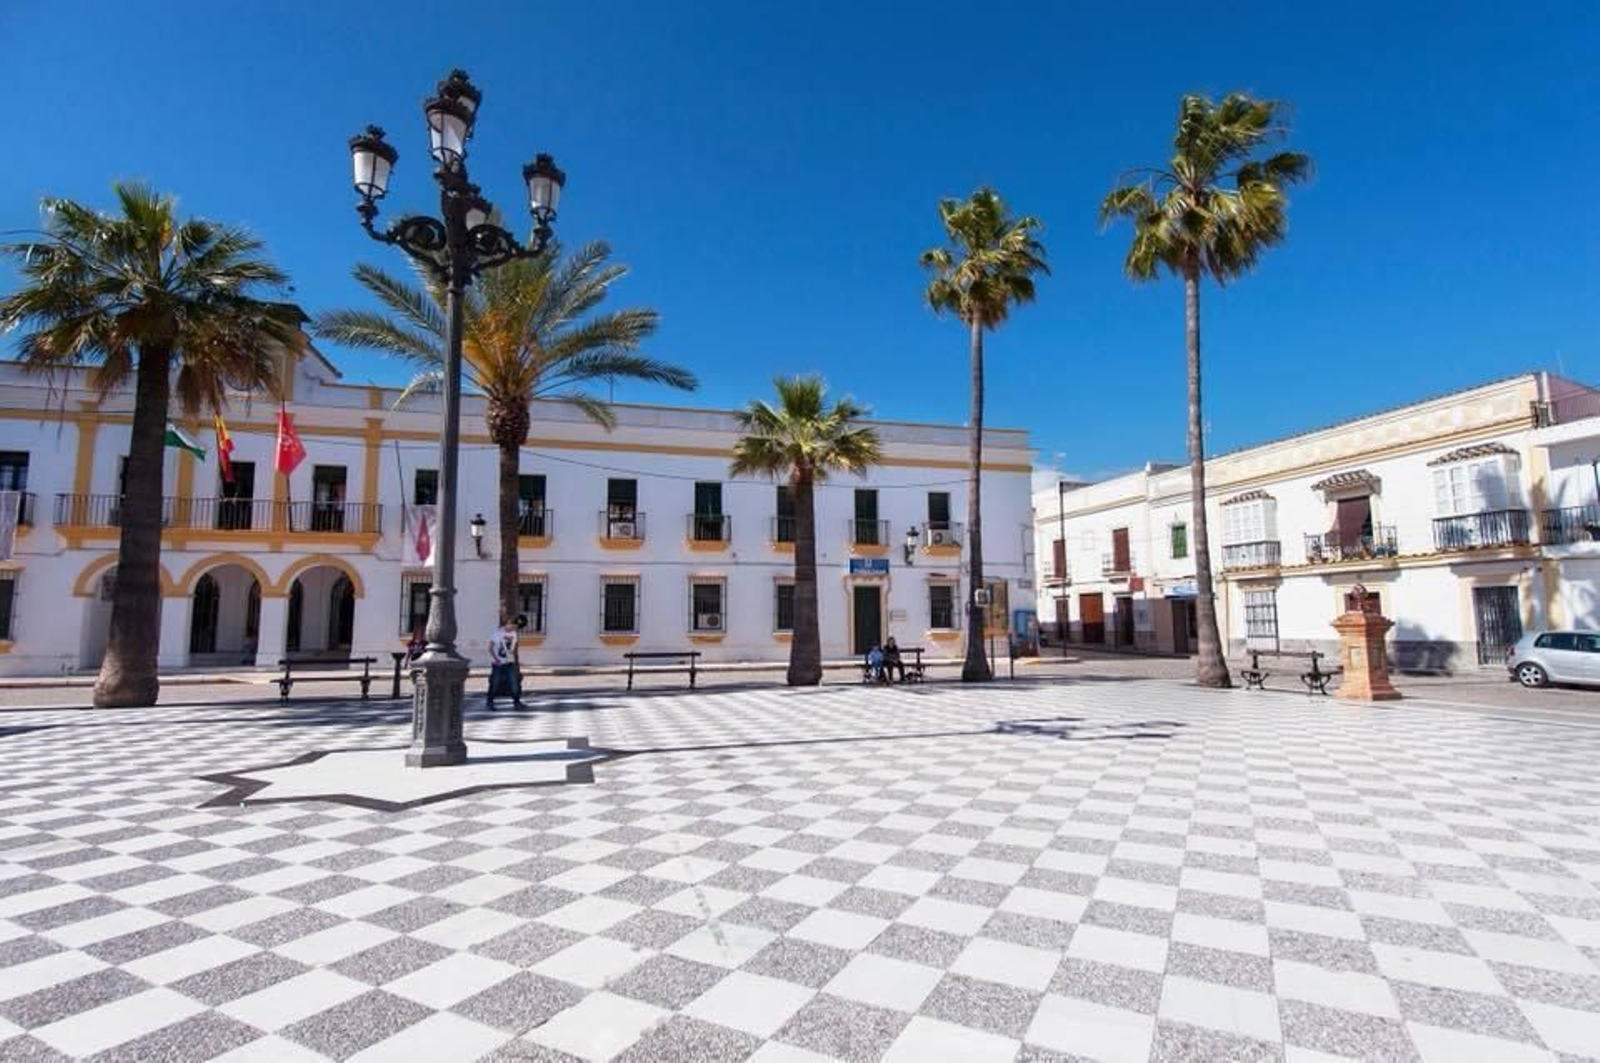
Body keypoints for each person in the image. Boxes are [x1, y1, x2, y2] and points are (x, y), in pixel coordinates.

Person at [487, 617, 525, 711]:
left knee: (514, 683)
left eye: (516, 627)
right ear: (508, 623)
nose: (514, 628)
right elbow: (490, 648)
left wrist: (516, 662)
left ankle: (516, 702)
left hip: (510, 663)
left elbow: (514, 649)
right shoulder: (497, 633)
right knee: (495, 683)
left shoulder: (514, 634)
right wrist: (496, 659)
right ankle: (490, 701)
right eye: (513, 626)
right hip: (498, 664)